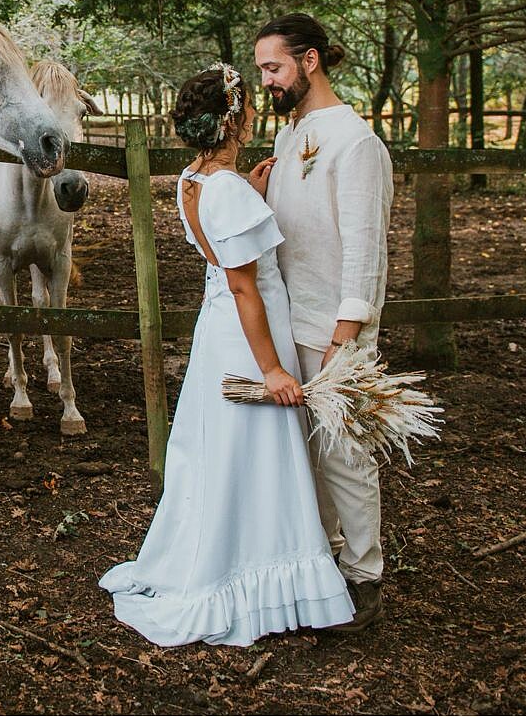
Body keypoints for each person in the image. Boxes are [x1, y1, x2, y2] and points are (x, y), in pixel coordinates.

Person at [99, 64, 354, 647]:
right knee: (253, 456)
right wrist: (271, 369)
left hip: (218, 332)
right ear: (236, 118)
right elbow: (246, 288)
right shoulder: (229, 190)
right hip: (246, 339)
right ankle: (246, 573)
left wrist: (253, 194)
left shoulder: (191, 179)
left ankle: (220, 554)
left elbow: (221, 247)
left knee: (218, 453)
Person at [253, 13, 394, 631]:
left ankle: (365, 579)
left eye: (274, 68)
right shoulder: (293, 134)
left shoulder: (356, 142)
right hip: (291, 319)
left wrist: (347, 338)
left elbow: (367, 249)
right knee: (306, 459)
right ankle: (324, 564)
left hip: (338, 329)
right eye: (262, 70)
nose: (266, 82)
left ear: (310, 61)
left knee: (346, 454)